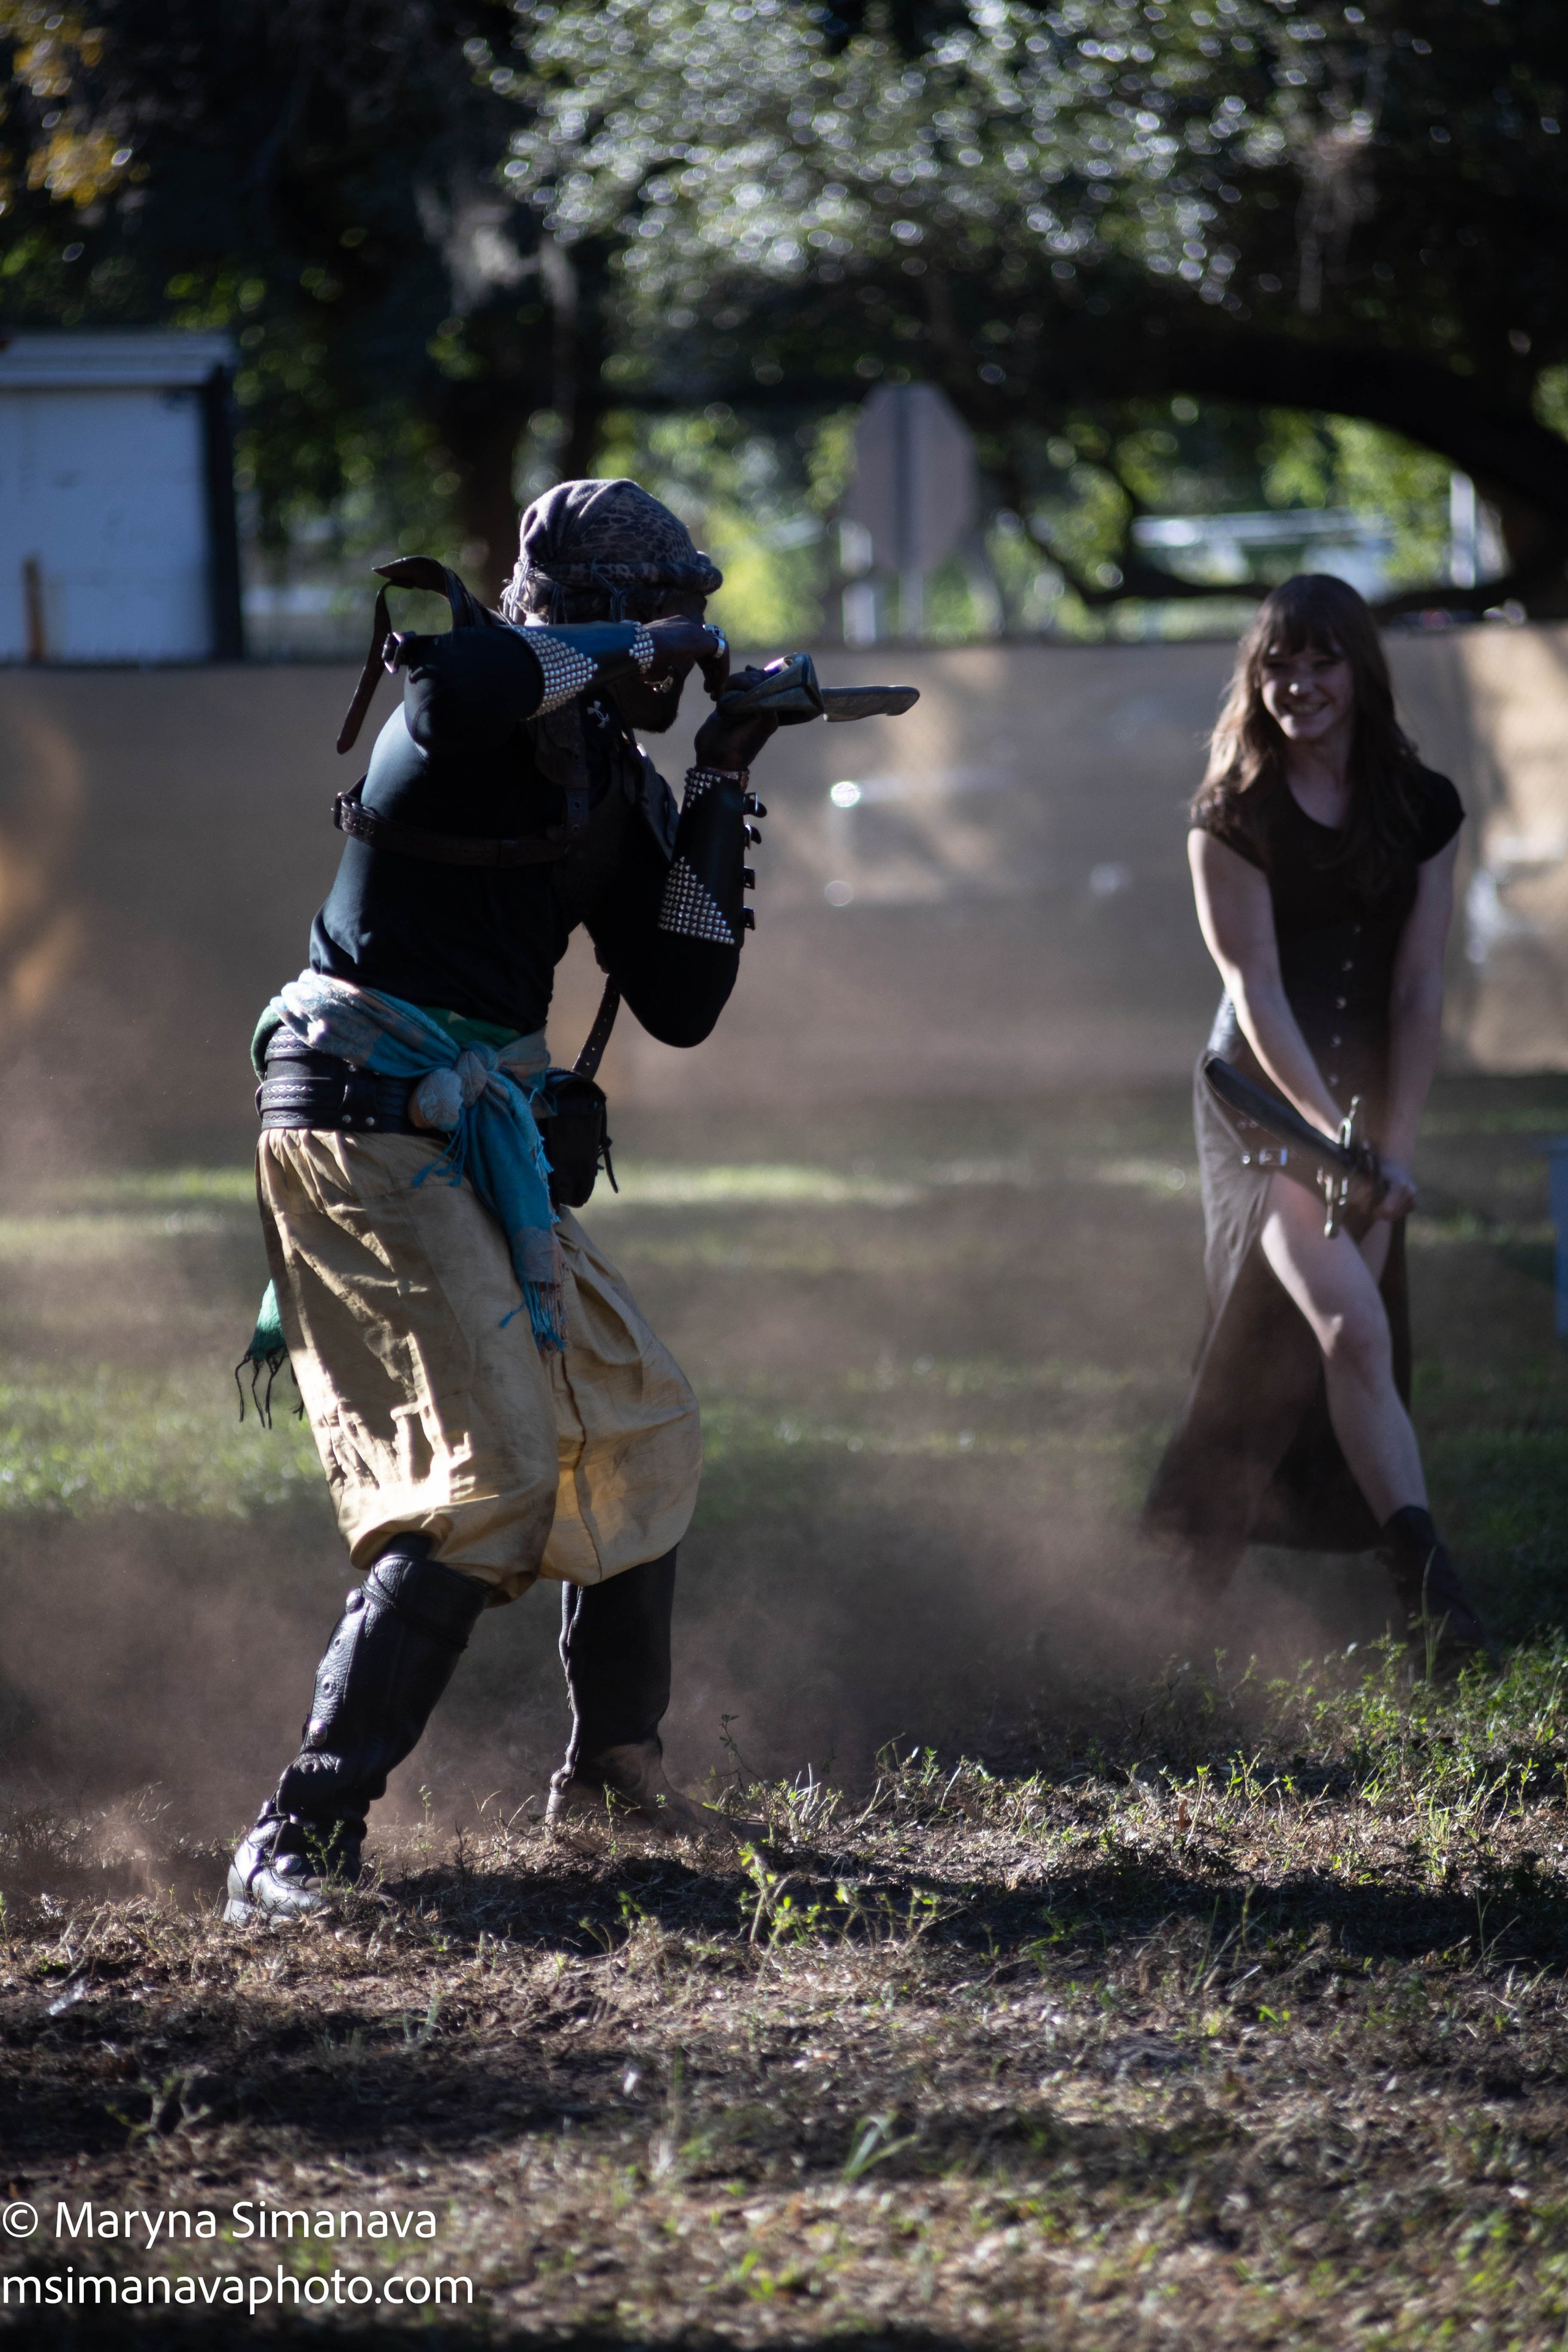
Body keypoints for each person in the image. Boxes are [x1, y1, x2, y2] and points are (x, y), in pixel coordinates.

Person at [225, 478, 781, 1923]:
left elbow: (681, 995)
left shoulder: (608, 765)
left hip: (469, 1141)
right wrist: (623, 640)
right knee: (489, 1476)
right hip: (361, 1124)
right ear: (591, 616)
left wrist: (721, 774)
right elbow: (468, 666)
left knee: (632, 1416)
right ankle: (297, 1837)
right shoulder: (463, 703)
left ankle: (611, 1775)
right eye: (665, 616)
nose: (686, 642)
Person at [1142, 573, 1491, 1670]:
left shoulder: (1421, 804)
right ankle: (1437, 1609)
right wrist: (1336, 1138)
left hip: (1370, 1103)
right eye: (1279, 666)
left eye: (1321, 662)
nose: (1300, 685)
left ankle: (1176, 1575)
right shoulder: (1231, 815)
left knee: (1295, 1349)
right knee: (1350, 1325)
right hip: (1263, 1099)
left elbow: (1419, 991)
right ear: (1258, 680)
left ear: (1359, 671)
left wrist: (1396, 1142)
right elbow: (1257, 993)